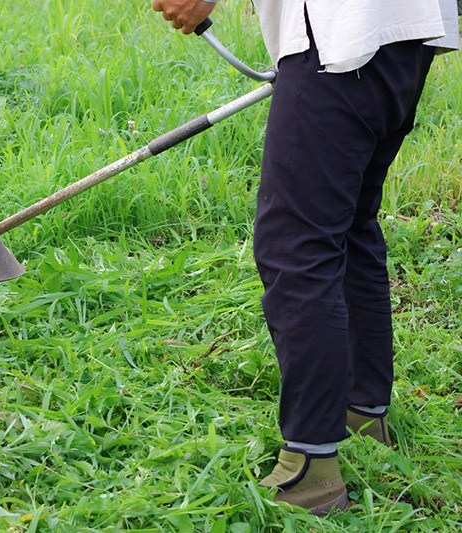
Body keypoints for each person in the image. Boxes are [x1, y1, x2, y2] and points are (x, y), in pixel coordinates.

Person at [153, 0, 460, 516]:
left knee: (297, 244)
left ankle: (311, 470)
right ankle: (365, 413)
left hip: (342, 33)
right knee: (349, 224)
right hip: (402, 33)